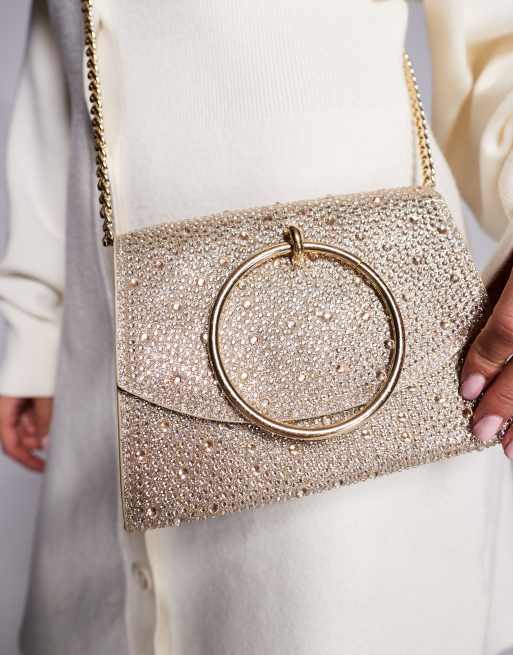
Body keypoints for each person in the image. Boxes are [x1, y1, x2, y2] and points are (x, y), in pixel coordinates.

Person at [1, 1, 513, 653]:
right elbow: (65, 44)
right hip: (104, 364)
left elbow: (495, 43)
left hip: (358, 374)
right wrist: (35, 313)